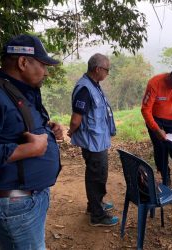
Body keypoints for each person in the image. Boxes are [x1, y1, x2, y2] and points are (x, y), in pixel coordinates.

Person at [0, 34, 63, 249]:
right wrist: (29, 149)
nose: (46, 71)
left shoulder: (19, 91)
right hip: (12, 205)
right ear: (23, 62)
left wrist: (47, 129)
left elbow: (12, 129)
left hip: (28, 199)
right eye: (43, 65)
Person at [68, 53, 118, 227]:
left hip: (98, 140)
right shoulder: (84, 88)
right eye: (107, 70)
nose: (107, 73)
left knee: (98, 175)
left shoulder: (93, 85)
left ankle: (94, 205)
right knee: (96, 177)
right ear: (98, 69)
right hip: (92, 143)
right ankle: (97, 216)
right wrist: (70, 132)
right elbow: (76, 119)